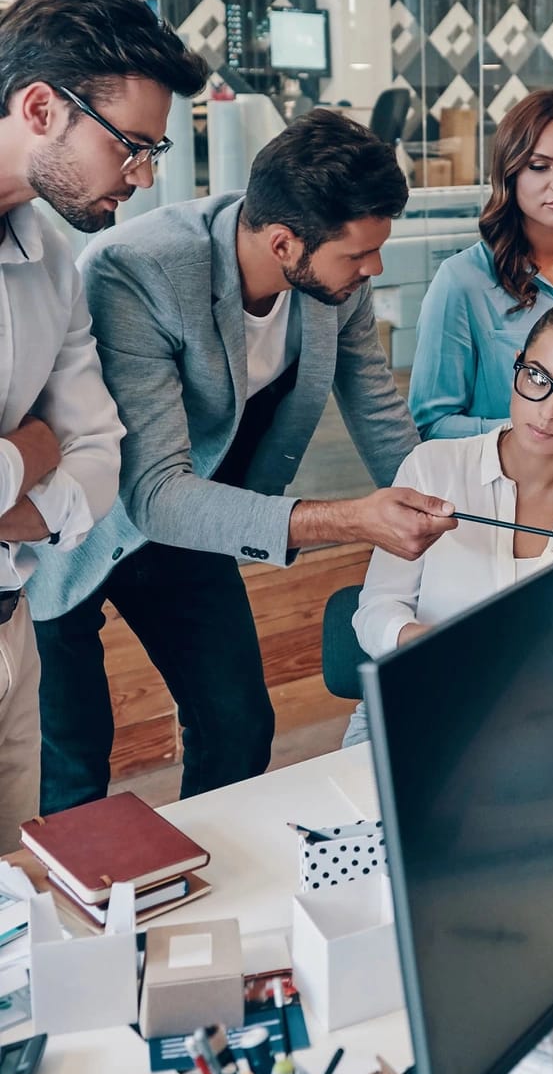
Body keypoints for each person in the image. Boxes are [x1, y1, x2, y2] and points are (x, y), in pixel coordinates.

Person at [29, 109, 457, 813]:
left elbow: (381, 416)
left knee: (238, 728)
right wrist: (353, 520)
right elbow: (154, 494)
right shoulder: (138, 271)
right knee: (76, 765)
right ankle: (93, 918)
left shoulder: (334, 280)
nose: (373, 269)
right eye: (358, 255)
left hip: (200, 519)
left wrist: (444, 514)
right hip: (80, 527)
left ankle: (213, 885)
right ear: (284, 242)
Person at [0, 0, 207, 850]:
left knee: (12, 914)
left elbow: (99, 455)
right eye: (130, 146)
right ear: (41, 106)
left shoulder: (51, 262)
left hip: (12, 633)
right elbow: (57, 451)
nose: (143, 176)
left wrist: (25, 477)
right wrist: (30, 455)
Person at [343, 295, 553, 745]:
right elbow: (374, 611)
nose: (548, 411)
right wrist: (422, 642)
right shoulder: (432, 467)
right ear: (518, 366)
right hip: (419, 709)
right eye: (538, 378)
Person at [409, 89, 553, 439]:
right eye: (539, 166)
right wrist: (532, 434)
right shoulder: (461, 281)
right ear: (510, 173)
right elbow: (431, 425)